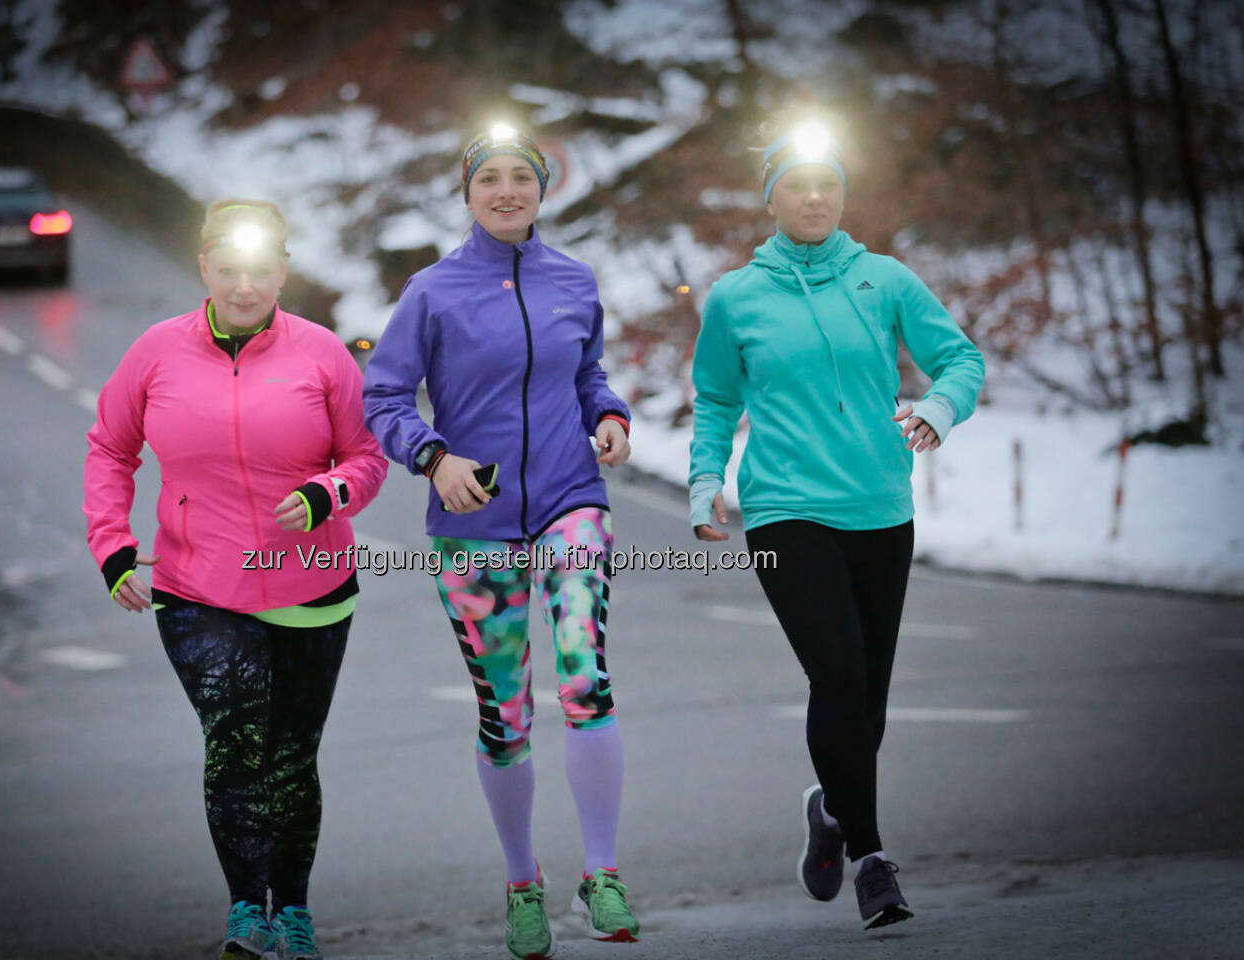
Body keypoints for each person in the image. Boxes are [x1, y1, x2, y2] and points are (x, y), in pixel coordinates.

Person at [688, 113, 985, 931]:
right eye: (797, 185)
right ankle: (872, 860)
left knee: (869, 699)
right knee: (839, 676)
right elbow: (715, 398)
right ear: (772, 198)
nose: (814, 197)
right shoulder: (736, 297)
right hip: (785, 509)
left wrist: (938, 407)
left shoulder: (884, 280)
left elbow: (961, 359)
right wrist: (705, 480)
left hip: (880, 507)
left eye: (827, 185)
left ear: (842, 196)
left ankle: (831, 806)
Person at [83, 199, 388, 960]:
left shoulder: (322, 354)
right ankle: (247, 910)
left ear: (283, 270)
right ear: (204, 268)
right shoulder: (156, 352)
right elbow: (109, 450)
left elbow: (368, 458)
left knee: (291, 756)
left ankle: (295, 910)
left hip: (313, 583)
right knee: (237, 742)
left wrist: (328, 493)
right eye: (229, 270)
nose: (245, 286)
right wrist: (114, 545)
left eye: (260, 271)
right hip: (198, 589)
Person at [362, 124, 640, 960]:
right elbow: (384, 400)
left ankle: (603, 872)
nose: (508, 191)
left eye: (524, 177)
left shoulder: (574, 281)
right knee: (505, 715)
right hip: (473, 522)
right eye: (492, 179)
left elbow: (587, 371)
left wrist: (611, 415)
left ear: (543, 191)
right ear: (468, 191)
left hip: (569, 501)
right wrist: (432, 456)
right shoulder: (432, 292)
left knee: (584, 674)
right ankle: (524, 883)